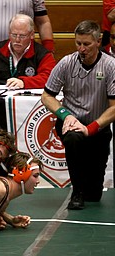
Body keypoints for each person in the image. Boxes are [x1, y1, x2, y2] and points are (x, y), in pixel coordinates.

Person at [41, 20, 115, 210]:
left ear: (98, 42)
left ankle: (87, 190)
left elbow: (114, 108)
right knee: (74, 139)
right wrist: (66, 115)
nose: (82, 49)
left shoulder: (110, 66)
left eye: (87, 44)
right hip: (71, 123)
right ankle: (76, 191)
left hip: (97, 125)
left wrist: (90, 129)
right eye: (78, 43)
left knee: (94, 195)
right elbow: (47, 96)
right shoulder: (66, 63)